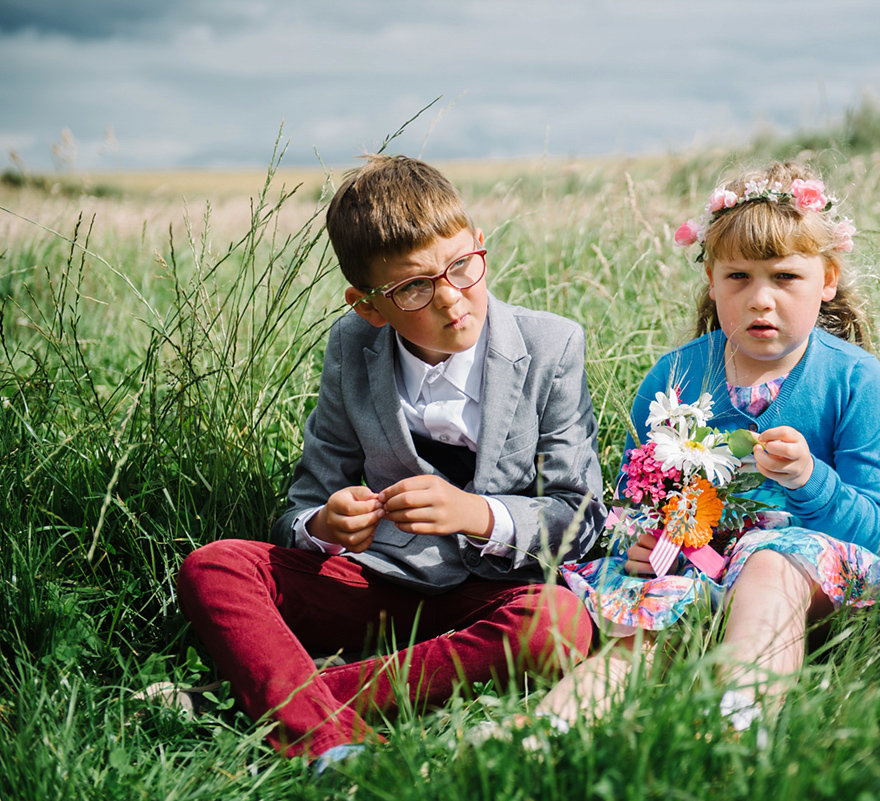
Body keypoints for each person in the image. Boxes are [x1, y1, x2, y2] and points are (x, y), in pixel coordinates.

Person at [174, 154, 606, 765]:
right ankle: (333, 738)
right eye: (414, 288)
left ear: (480, 246)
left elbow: (582, 517)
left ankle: (269, 699)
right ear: (369, 306)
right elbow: (301, 508)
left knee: (556, 624)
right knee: (214, 567)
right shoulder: (354, 347)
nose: (452, 299)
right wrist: (323, 526)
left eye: (462, 266)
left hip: (492, 597)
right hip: (376, 582)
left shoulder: (550, 345)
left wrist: (480, 514)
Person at [543, 161, 880, 731]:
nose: (760, 299)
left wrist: (808, 479)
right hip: (695, 562)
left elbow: (876, 524)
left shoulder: (855, 379)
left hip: (805, 571)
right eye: (738, 278)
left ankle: (737, 728)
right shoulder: (675, 376)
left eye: (784, 277)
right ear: (712, 281)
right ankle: (528, 739)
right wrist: (640, 539)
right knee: (644, 635)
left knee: (769, 569)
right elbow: (634, 492)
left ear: (827, 279)